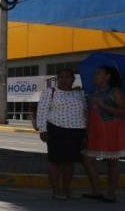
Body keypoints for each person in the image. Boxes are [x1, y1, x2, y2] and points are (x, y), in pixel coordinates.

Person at [36, 69, 87, 200]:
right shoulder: (50, 92)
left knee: (69, 163)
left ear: (72, 79)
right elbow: (42, 110)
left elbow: (85, 113)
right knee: (55, 162)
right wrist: (42, 129)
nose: (64, 80)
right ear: (57, 79)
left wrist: (86, 132)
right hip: (56, 129)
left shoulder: (80, 93)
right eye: (61, 77)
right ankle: (56, 190)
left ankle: (67, 189)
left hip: (76, 130)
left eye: (67, 77)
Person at [82, 66, 125, 203]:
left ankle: (111, 193)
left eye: (99, 73)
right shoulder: (92, 93)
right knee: (88, 160)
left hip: (111, 129)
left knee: (112, 162)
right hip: (95, 130)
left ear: (107, 76)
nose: (95, 76)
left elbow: (123, 113)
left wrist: (103, 105)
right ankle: (96, 191)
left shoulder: (115, 92)